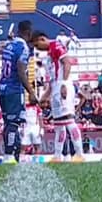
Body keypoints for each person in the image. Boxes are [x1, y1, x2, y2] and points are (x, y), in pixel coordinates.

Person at [31, 31, 82, 162]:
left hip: (62, 86)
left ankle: (79, 154)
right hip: (55, 88)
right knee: (59, 125)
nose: (37, 48)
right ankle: (57, 155)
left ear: (42, 39)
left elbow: (67, 63)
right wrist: (44, 96)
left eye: (37, 45)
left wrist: (63, 84)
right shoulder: (48, 56)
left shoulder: (56, 46)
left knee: (69, 121)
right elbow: (52, 80)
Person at [0, 20, 39, 162]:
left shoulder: (9, 45)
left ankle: (11, 155)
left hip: (2, 87)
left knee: (7, 124)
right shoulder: (23, 48)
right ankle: (9, 156)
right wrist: (31, 92)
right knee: (13, 124)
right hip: (14, 89)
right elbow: (21, 72)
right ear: (28, 32)